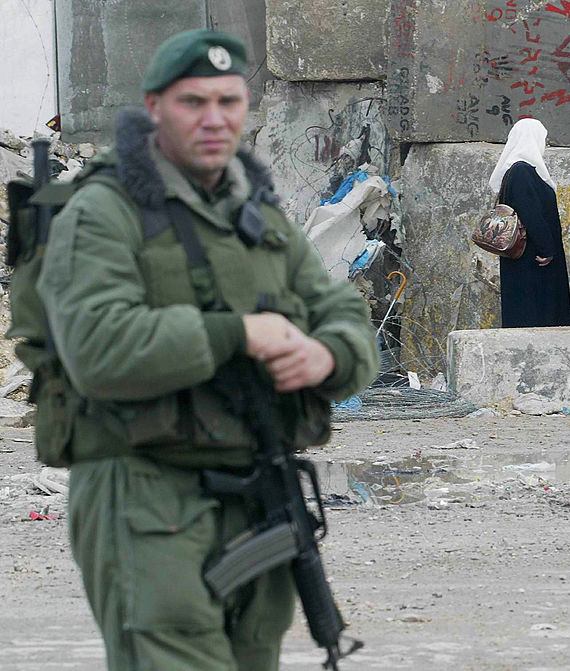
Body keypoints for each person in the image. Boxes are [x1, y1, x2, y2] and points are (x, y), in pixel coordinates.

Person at [33, 30, 378, 669]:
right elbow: (97, 347)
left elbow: (343, 312)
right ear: (155, 106)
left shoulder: (257, 214)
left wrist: (329, 355)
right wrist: (239, 335)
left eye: (229, 100)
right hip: (146, 495)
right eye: (195, 102)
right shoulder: (105, 212)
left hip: (255, 490)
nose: (215, 119)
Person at [489, 118, 570, 328]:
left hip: (526, 258)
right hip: (533, 260)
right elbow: (532, 213)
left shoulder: (517, 171)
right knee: (536, 316)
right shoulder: (522, 172)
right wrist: (547, 249)